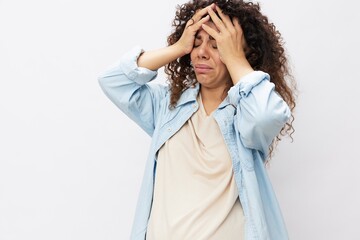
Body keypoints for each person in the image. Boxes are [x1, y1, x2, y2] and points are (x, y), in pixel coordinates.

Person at [98, 0, 296, 239]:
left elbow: (267, 115)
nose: (202, 52)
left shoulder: (246, 113)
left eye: (216, 45)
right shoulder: (167, 106)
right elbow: (113, 81)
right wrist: (179, 47)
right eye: (197, 42)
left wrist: (236, 59)